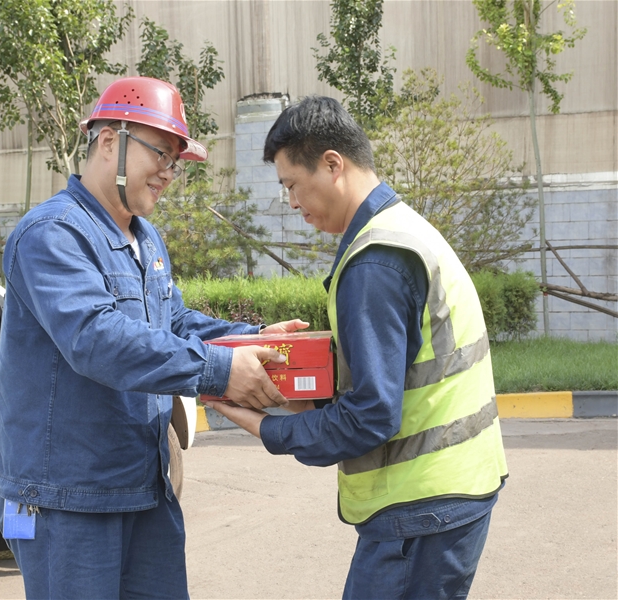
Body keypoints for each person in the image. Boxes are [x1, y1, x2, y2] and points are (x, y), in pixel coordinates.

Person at [0, 76, 308, 599]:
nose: (168, 172)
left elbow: (173, 322)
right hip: (67, 500)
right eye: (160, 153)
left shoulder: (144, 237)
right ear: (109, 141)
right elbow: (96, 339)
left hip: (143, 485)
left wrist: (250, 339)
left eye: (175, 161)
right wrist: (219, 370)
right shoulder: (52, 234)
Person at [204, 96, 509, 600]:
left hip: (419, 505)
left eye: (291, 185)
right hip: (451, 489)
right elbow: (398, 378)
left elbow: (371, 415)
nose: (291, 202)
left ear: (332, 164)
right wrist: (309, 394)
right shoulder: (402, 229)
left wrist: (268, 427)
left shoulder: (374, 262)